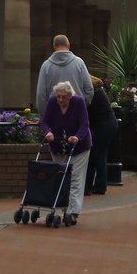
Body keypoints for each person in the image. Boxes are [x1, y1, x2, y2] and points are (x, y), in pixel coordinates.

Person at [40, 80, 92, 225]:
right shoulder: (52, 102)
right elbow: (44, 122)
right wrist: (47, 132)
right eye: (58, 96)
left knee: (74, 178)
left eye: (64, 97)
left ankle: (73, 212)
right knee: (60, 177)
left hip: (79, 147)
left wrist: (77, 137)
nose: (61, 100)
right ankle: (63, 208)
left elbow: (84, 124)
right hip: (58, 145)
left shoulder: (78, 102)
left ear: (70, 96)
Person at [35, 34, 94, 113]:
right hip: (75, 111)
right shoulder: (79, 63)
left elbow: (40, 94)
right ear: (68, 45)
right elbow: (89, 89)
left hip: (54, 112)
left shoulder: (46, 66)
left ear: (54, 47)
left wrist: (44, 113)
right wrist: (81, 105)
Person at [84, 76, 119, 196]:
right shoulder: (97, 90)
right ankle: (98, 185)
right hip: (108, 124)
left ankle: (95, 186)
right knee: (98, 154)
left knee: (96, 154)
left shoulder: (92, 93)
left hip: (103, 125)